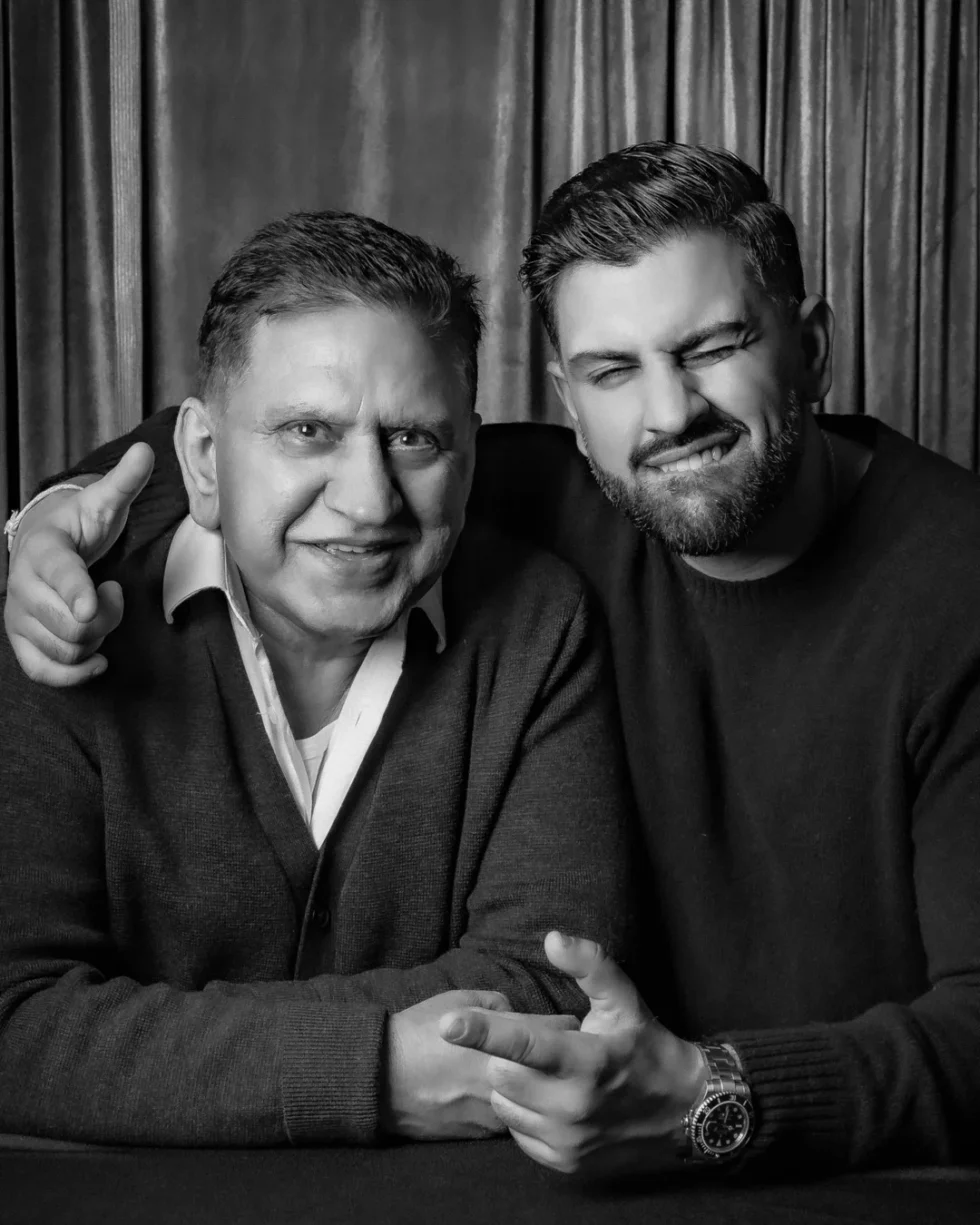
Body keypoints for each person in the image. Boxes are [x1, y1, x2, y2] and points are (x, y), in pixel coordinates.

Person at [5, 142, 980, 1176]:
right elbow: (272, 434)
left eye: (712, 346)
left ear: (813, 347)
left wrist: (715, 1094)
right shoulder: (539, 487)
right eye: (613, 369)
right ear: (567, 399)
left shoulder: (951, 585)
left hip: (856, 1177)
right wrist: (47, 526)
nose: (667, 414)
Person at [0, 211, 636, 1146]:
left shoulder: (539, 624)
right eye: (307, 431)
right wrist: (368, 1066)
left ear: (470, 455)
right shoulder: (65, 624)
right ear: (206, 462)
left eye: (415, 439)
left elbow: (547, 984)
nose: (370, 498)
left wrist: (162, 1055)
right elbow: (15, 1021)